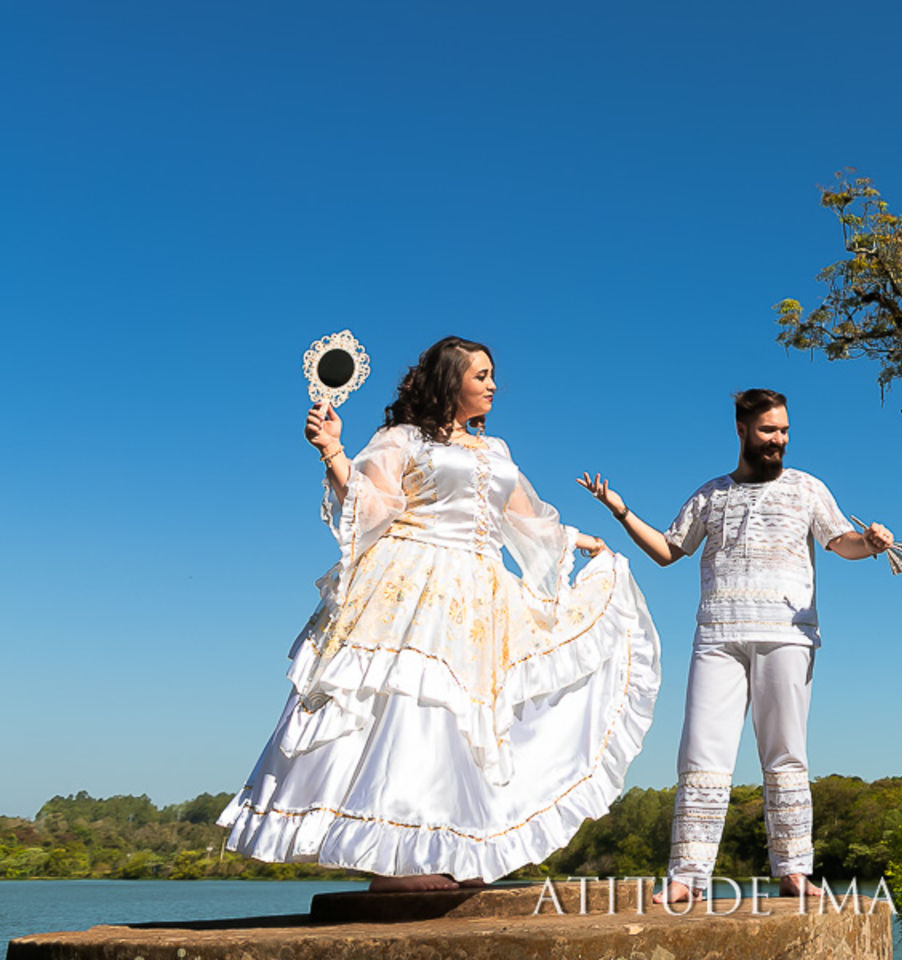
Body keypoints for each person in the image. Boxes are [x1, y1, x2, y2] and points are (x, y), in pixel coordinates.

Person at [218, 337, 660, 890]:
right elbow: (371, 507)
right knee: (410, 709)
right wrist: (333, 451)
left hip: (478, 599)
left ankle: (450, 847)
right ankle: (394, 859)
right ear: (451, 381)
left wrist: (580, 540)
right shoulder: (401, 439)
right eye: (481, 375)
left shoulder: (495, 449)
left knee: (461, 723)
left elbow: (526, 520)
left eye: (493, 374)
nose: (493, 385)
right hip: (411, 585)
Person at [580, 388, 894, 901]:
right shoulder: (710, 495)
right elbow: (669, 551)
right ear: (742, 430)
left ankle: (794, 870)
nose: (779, 440)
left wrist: (872, 544)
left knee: (785, 752)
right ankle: (687, 876)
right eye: (769, 430)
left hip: (787, 634)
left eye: (784, 430)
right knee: (701, 750)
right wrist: (621, 511)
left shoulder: (808, 488)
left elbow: (842, 543)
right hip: (717, 634)